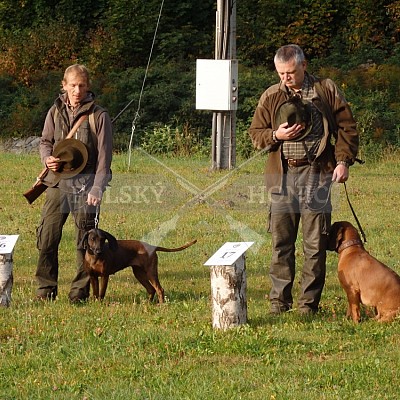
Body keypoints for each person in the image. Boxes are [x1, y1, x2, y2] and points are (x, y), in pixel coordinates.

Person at [249, 44, 359, 315]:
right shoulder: (272, 95)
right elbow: (255, 134)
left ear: (304, 65)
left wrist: (343, 161)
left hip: (318, 174)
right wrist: (277, 136)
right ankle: (279, 303)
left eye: (290, 72)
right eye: (280, 73)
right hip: (283, 176)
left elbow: (347, 127)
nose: (285, 78)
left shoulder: (325, 89)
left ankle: (307, 306)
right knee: (281, 244)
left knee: (315, 244)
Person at [35, 64, 113, 303]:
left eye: (81, 85)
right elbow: (45, 142)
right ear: (64, 85)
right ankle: (45, 291)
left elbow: (104, 157)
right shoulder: (55, 111)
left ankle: (79, 293)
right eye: (72, 85)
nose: (77, 90)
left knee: (85, 243)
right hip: (57, 185)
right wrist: (47, 159)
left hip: (85, 187)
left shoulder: (99, 116)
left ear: (87, 86)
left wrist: (98, 187)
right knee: (47, 238)